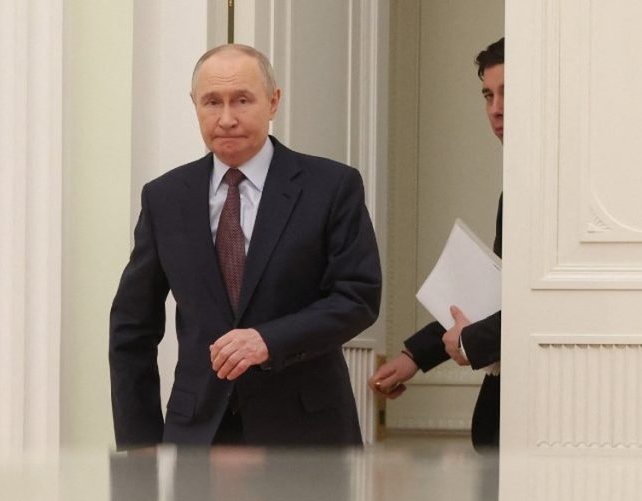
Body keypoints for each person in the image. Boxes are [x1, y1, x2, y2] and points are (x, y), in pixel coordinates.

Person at [109, 44, 381, 449]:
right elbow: (132, 328)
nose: (226, 118)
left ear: (273, 102)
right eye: (211, 102)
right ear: (195, 105)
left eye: (242, 100)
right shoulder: (164, 197)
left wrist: (268, 340)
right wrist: (140, 448)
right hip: (199, 434)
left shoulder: (331, 186)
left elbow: (357, 297)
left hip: (306, 435)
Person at [368, 37, 505, 451]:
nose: (496, 109)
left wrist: (470, 341)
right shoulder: (517, 187)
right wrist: (416, 356)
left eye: (508, 94)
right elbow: (495, 294)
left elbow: (545, 304)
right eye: (488, 95)